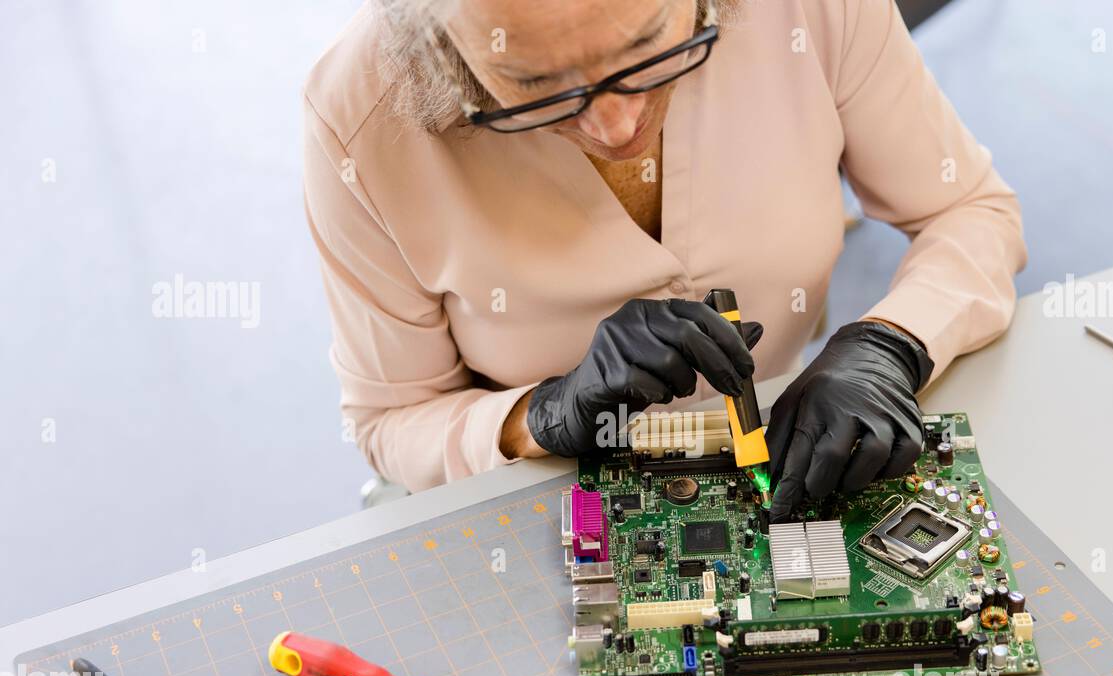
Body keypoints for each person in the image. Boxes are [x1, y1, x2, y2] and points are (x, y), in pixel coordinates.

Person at [304, 0, 1026, 522]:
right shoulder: (360, 118)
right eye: (534, 86)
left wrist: (890, 345)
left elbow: (969, 211)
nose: (617, 126)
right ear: (443, 50)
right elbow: (391, 420)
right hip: (550, 502)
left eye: (649, 45)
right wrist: (543, 415)